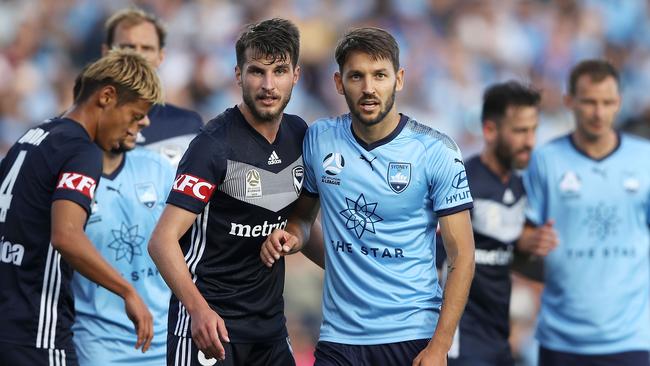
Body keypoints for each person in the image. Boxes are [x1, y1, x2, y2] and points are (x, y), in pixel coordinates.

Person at [261, 27, 475, 366]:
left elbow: (461, 254)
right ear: (338, 82)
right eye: (356, 76)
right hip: (339, 338)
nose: (369, 88)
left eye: (380, 75)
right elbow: (302, 218)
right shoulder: (319, 139)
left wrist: (440, 346)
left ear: (399, 79)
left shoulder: (435, 150)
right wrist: (292, 237)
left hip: (412, 336)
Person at [148, 18, 322, 366]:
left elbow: (300, 221)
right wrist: (198, 310)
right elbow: (162, 241)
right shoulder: (212, 146)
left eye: (280, 71)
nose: (269, 85)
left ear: (296, 76)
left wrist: (295, 240)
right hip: (210, 327)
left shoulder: (300, 136)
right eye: (257, 71)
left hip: (270, 329)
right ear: (239, 75)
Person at [0, 49, 162, 366]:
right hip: (37, 332)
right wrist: (127, 291)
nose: (136, 128)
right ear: (107, 96)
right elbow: (66, 235)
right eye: (133, 116)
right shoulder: (82, 150)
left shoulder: (34, 136)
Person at [523, 59, 650, 366]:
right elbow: (523, 233)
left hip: (631, 336)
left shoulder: (644, 159)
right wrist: (530, 241)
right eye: (590, 102)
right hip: (562, 337)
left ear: (618, 103)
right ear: (570, 101)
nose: (598, 112)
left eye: (607, 102)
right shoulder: (546, 160)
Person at [444, 81, 553, 366]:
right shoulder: (461, 182)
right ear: (490, 131)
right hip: (460, 341)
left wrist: (528, 248)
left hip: (499, 339)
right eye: (520, 131)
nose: (530, 141)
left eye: (533, 130)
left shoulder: (522, 188)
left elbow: (509, 255)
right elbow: (440, 260)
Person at [70, 77, 175, 364]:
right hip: (98, 345)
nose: (143, 124)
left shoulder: (159, 169)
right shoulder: (69, 179)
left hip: (165, 341)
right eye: (135, 114)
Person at [103, 7, 203, 166]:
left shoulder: (187, 126)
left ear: (161, 56)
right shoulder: (82, 124)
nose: (138, 56)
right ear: (106, 52)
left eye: (147, 48)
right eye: (128, 47)